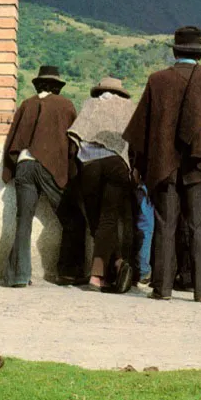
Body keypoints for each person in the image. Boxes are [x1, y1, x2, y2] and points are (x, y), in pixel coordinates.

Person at [123, 26, 201, 302]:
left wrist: (138, 165)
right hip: (198, 169)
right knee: (198, 224)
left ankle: (161, 289)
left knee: (164, 224)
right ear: (200, 54)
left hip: (163, 165)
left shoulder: (157, 81)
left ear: (175, 51)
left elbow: (141, 131)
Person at [0, 66, 85, 288]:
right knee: (73, 219)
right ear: (57, 87)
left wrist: (8, 171)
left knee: (23, 221)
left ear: (38, 85)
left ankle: (18, 275)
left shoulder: (26, 104)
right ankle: (67, 273)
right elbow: (73, 143)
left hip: (24, 166)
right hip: (49, 167)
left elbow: (13, 140)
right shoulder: (65, 105)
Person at [67, 77, 136, 293]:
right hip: (116, 163)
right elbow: (136, 138)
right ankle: (102, 272)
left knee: (96, 219)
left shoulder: (91, 104)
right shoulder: (128, 107)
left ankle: (109, 268)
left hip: (89, 165)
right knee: (108, 218)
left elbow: (76, 135)